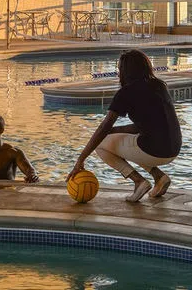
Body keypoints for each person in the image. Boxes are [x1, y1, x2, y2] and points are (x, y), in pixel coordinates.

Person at [67, 49, 182, 202]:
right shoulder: (159, 86)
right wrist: (115, 131)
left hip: (154, 150)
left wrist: (80, 159)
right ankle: (159, 178)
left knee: (100, 144)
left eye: (119, 68)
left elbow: (103, 128)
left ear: (125, 71)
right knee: (129, 141)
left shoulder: (126, 93)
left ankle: (138, 181)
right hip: (173, 148)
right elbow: (146, 125)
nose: (118, 72)